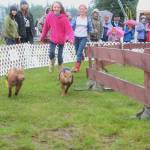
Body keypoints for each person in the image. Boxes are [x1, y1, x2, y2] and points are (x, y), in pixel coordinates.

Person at [40, 1, 74, 72]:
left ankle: (61, 70)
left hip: (61, 39)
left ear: (60, 8)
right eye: (55, 7)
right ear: (52, 8)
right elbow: (46, 27)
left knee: (59, 57)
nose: (56, 9)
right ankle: (51, 63)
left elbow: (69, 30)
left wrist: (71, 38)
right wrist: (42, 37)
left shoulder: (64, 18)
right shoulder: (49, 16)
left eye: (58, 7)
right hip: (53, 38)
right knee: (51, 53)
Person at [71, 4, 92, 72]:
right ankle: (82, 56)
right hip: (76, 37)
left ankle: (77, 67)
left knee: (79, 52)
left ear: (86, 10)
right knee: (77, 52)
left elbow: (90, 28)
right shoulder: (76, 18)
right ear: (79, 10)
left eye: (83, 9)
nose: (82, 10)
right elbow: (71, 26)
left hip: (83, 37)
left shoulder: (88, 19)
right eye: (80, 9)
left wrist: (90, 33)